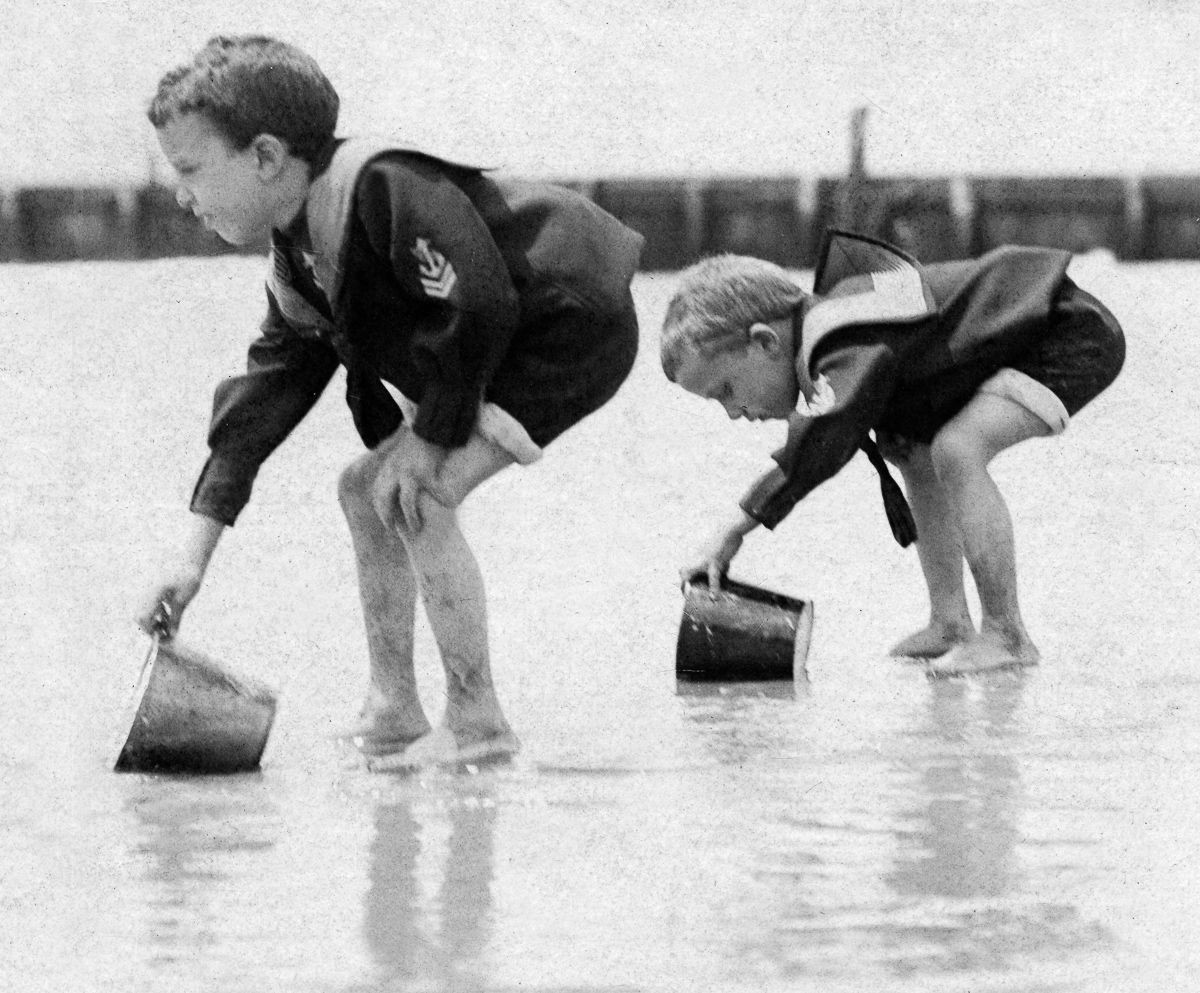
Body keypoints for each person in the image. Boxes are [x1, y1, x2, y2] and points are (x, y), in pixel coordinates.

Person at [135, 35, 643, 768]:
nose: (181, 193)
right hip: (498, 341)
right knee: (361, 486)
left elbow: (478, 294)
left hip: (569, 323)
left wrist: (430, 438)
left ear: (268, 158)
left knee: (417, 491)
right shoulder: (300, 259)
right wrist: (192, 559)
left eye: (190, 168)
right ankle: (393, 707)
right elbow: (258, 408)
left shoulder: (378, 186)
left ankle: (477, 720)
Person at [661, 230, 1125, 676]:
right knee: (913, 452)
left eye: (726, 390)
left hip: (1068, 334)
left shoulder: (838, 334)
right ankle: (950, 623)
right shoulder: (838, 324)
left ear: (766, 340)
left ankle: (1007, 635)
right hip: (1038, 331)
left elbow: (825, 436)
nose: (732, 413)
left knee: (958, 449)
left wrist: (737, 527)